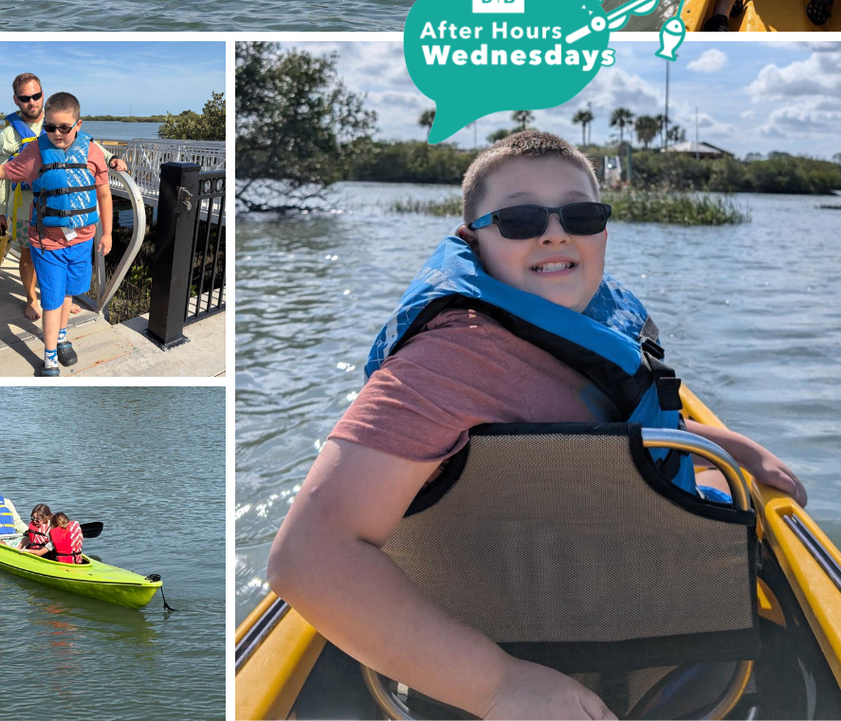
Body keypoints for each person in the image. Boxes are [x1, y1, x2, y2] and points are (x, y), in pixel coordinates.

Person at [267, 130, 807, 721]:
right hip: (559, 658)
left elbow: (603, 440)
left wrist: (728, 447)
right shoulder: (451, 362)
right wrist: (499, 687)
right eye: (520, 218)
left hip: (632, 617)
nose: (555, 232)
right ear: (472, 239)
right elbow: (307, 558)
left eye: (580, 213)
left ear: (603, 229)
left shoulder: (595, 327)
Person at [0, 91, 115, 377]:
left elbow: (104, 193)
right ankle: (49, 359)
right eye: (50, 127)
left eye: (65, 127)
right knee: (50, 301)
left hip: (82, 240)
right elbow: (3, 171)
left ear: (79, 124)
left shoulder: (93, 151)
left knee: (68, 294)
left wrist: (107, 233)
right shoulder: (36, 152)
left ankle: (62, 339)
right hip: (47, 243)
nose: (57, 133)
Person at [0, 73, 127, 322]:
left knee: (65, 252)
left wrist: (111, 159)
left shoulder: (59, 118)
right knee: (28, 254)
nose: (31, 102)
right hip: (26, 205)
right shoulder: (8, 137)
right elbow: (3, 175)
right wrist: (0, 212)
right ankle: (32, 299)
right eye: (25, 98)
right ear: (16, 100)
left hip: (61, 206)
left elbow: (86, 146)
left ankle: (60, 298)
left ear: (43, 95)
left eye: (36, 96)